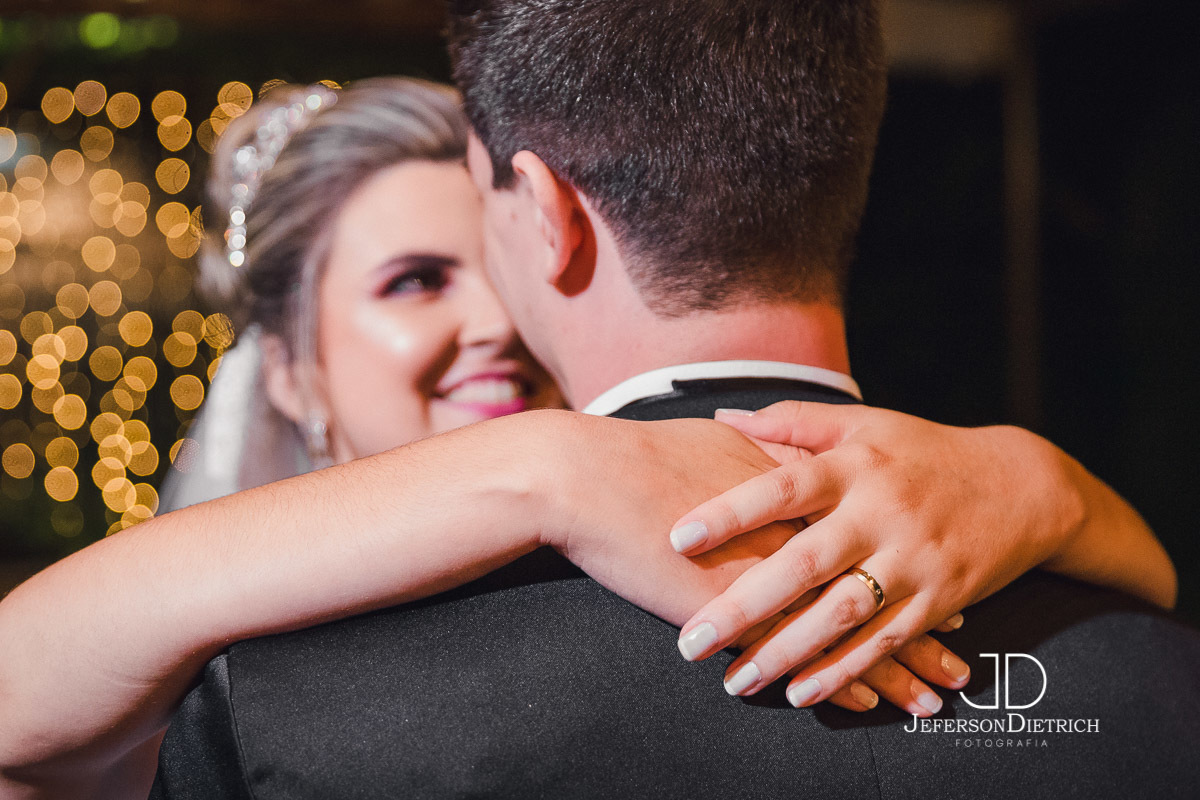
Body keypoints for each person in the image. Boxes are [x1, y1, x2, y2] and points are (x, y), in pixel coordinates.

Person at [0, 59, 1183, 800]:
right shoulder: (238, 674)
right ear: (292, 367)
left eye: (492, 267)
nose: (494, 321)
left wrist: (1048, 485)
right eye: (415, 280)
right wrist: (543, 463)